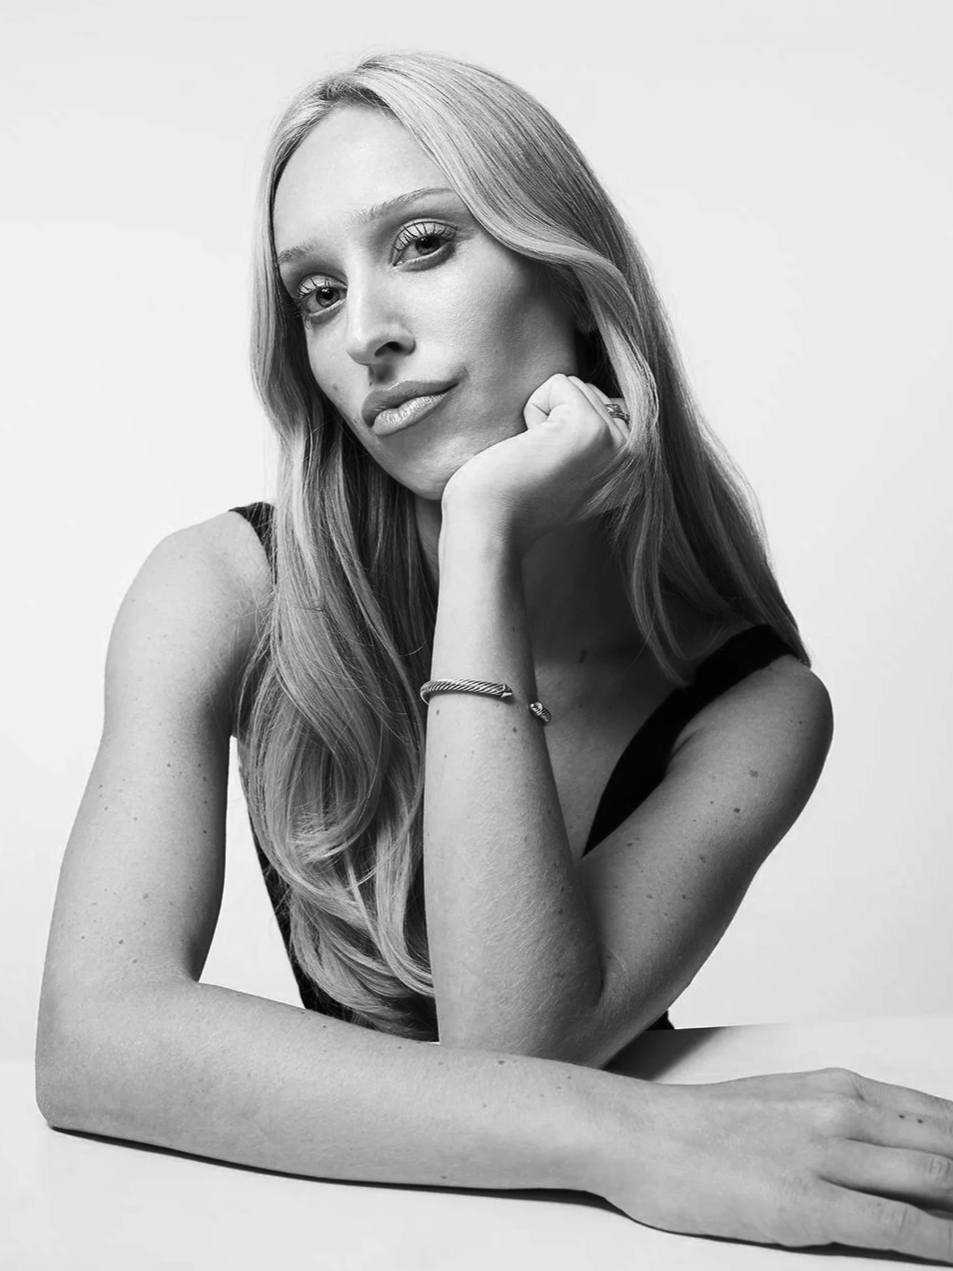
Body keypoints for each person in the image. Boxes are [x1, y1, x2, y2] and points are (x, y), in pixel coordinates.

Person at [36, 49, 953, 1263]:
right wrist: (635, 1137)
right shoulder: (222, 590)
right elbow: (92, 1039)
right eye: (317, 293)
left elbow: (507, 1039)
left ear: (570, 279)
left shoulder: (753, 707)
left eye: (421, 244)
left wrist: (481, 542)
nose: (364, 334)